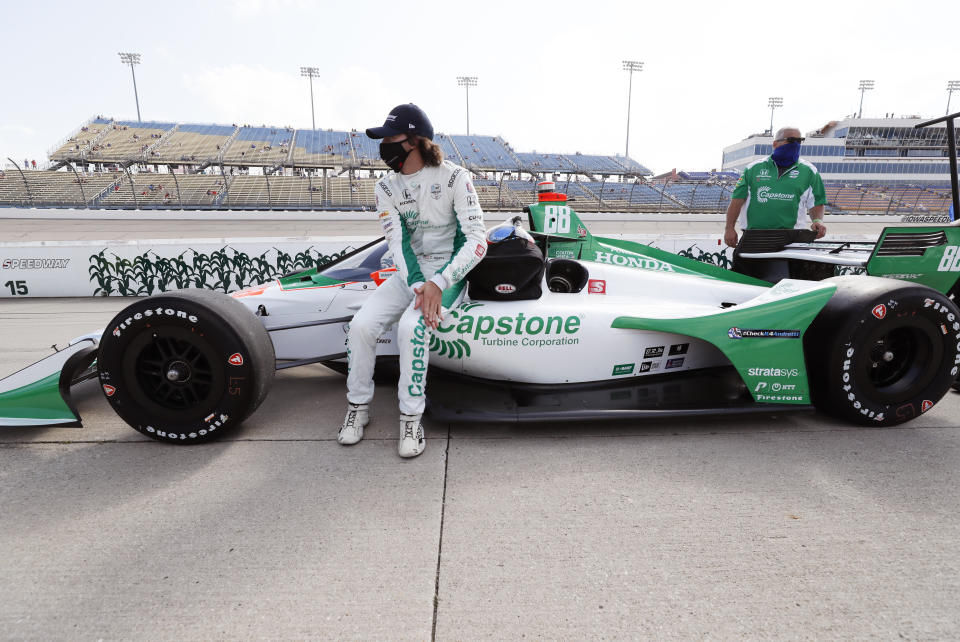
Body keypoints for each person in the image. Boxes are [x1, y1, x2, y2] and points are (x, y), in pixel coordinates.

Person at [339, 103, 487, 458]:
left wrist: (440, 281)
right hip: (411, 274)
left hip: (450, 272)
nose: (385, 145)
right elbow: (397, 244)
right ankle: (357, 407)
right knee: (360, 326)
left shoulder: (455, 177)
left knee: (411, 329)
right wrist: (420, 285)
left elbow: (477, 240)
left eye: (392, 137)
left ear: (416, 141)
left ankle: (410, 416)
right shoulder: (385, 187)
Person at [724, 127, 827, 273]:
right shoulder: (753, 168)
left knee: (789, 280)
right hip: (755, 238)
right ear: (775, 144)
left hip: (792, 238)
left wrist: (817, 221)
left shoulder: (809, 171)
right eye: (791, 140)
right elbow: (737, 200)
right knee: (745, 279)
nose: (795, 145)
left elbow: (816, 202)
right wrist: (729, 228)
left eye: (799, 141)